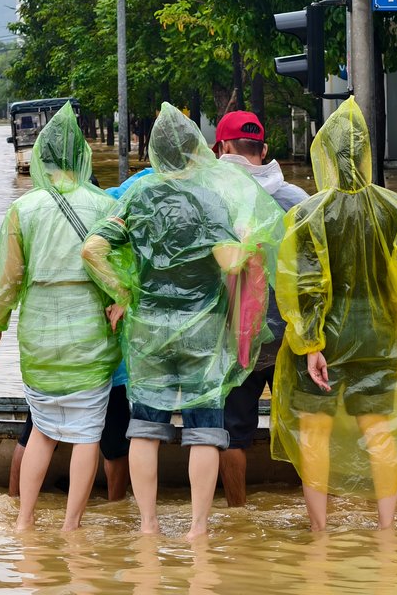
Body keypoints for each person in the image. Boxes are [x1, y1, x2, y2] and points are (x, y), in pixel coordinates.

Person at [82, 102, 284, 539]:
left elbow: (91, 251)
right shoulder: (210, 197)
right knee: (205, 428)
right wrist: (249, 240)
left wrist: (124, 292)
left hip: (149, 329)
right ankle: (197, 528)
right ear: (196, 151)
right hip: (204, 332)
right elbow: (231, 263)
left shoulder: (137, 194)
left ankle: (149, 525)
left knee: (145, 427)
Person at [269, 97, 397, 531]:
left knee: (315, 436)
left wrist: (310, 345)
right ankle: (385, 528)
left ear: (323, 151)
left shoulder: (307, 214)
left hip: (322, 341)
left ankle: (321, 532)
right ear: (366, 151)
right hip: (380, 337)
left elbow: (300, 284)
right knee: (380, 431)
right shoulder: (396, 208)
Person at [0, 102, 121, 532]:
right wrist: (122, 298)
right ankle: (72, 525)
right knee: (88, 434)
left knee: (43, 430)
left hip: (38, 336)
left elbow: (7, 277)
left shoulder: (25, 209)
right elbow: (118, 267)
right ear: (82, 155)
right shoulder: (102, 204)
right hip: (89, 335)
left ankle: (24, 521)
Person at [211, 110, 308, 507]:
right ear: (264, 150)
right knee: (306, 426)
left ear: (223, 149)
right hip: (293, 333)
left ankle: (237, 513)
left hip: (238, 336)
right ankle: (316, 516)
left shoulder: (215, 199)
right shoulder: (297, 199)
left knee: (233, 433)